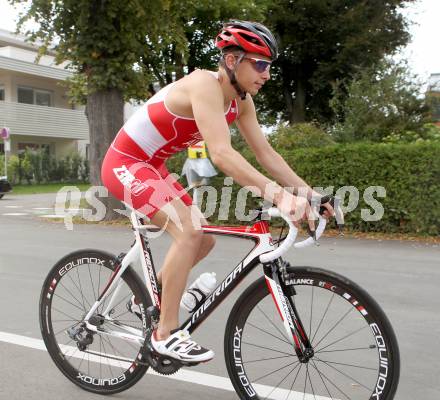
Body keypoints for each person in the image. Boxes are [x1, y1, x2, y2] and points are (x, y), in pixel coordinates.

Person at [101, 20, 334, 363]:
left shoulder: (241, 102)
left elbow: (266, 154)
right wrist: (281, 197)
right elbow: (222, 154)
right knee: (189, 231)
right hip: (126, 162)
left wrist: (310, 195)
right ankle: (164, 334)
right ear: (231, 61)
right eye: (260, 64)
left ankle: (147, 304)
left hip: (154, 166)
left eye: (269, 66)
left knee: (204, 238)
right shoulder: (204, 85)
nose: (267, 74)